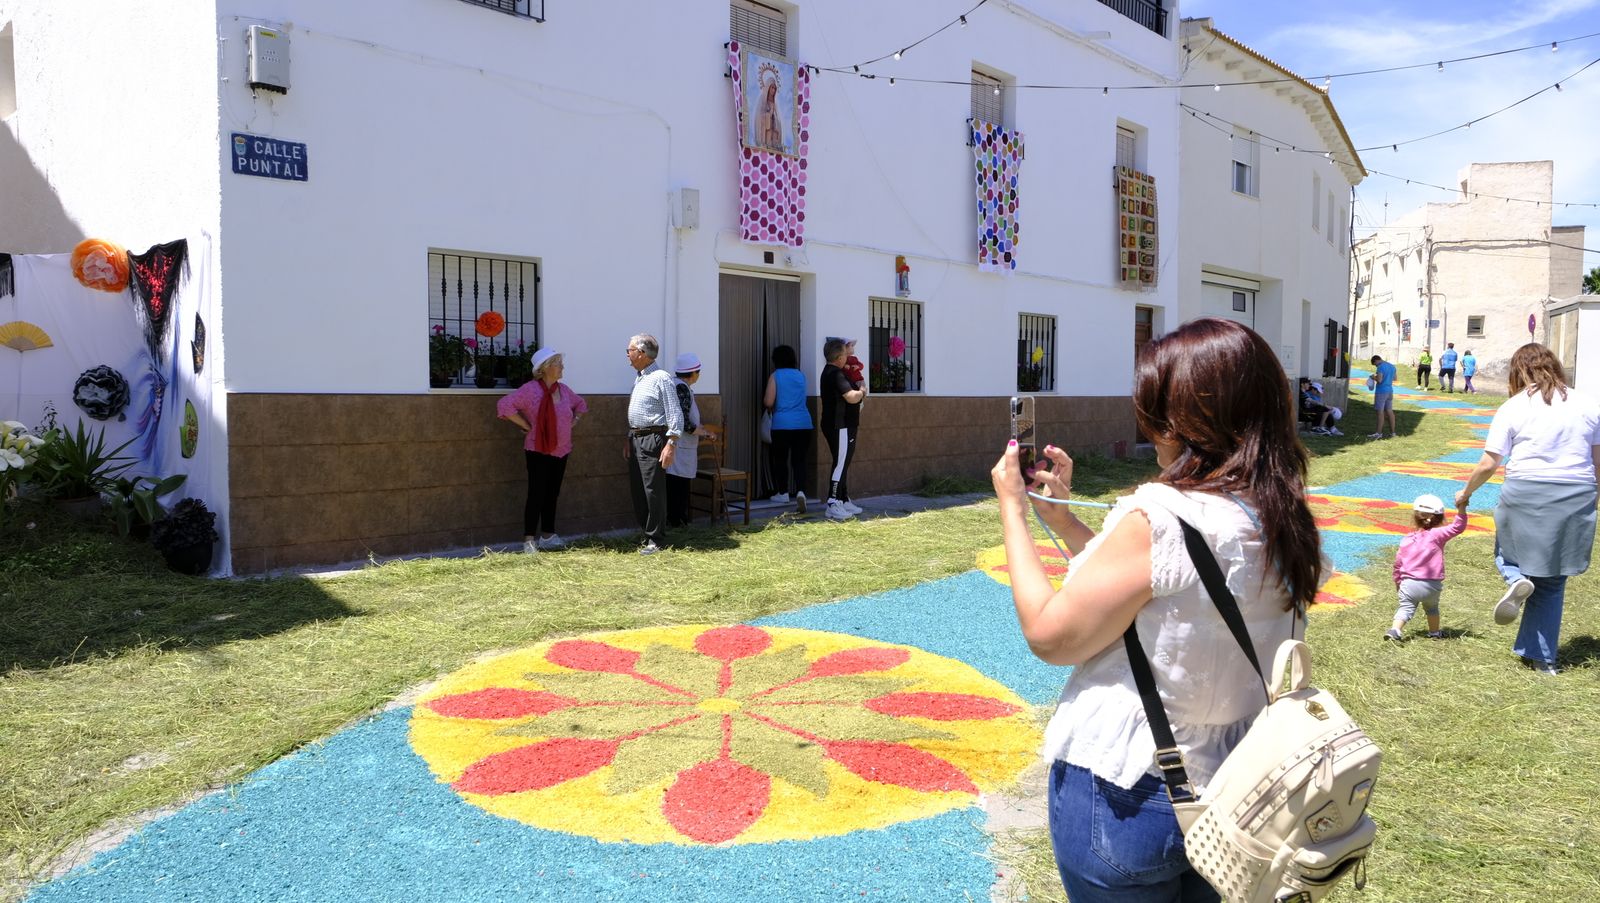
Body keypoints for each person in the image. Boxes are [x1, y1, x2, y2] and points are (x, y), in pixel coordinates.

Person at [991, 317, 1319, 901]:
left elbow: (1049, 634)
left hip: (1132, 795)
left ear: (1182, 419)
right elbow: (1164, 587)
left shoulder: (1163, 514)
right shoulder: (1276, 511)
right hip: (1238, 790)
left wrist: (1013, 510)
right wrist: (1062, 518)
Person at [1455, 343, 1600, 675]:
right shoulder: (1589, 405)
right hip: (1574, 494)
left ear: (1519, 371)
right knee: (1552, 581)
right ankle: (1543, 661)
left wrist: (1465, 493)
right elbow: (1597, 461)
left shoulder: (1513, 407)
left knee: (1508, 554)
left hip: (1526, 491)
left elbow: (1490, 461)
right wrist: (1595, 498)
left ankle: (1516, 578)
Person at [497, 348, 588, 553]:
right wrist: (527, 425)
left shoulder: (563, 390)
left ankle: (547, 535)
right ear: (546, 368)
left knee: (552, 493)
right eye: (558, 363)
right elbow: (504, 405)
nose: (562, 367)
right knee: (536, 493)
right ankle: (529, 540)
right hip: (537, 449)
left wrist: (575, 421)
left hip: (562, 449)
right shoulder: (530, 390)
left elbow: (580, 404)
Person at [623, 334, 685, 555]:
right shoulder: (640, 378)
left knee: (653, 489)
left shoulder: (661, 378)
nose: (627, 355)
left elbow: (675, 413)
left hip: (653, 438)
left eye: (629, 350)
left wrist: (671, 444)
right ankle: (647, 532)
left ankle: (656, 539)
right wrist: (628, 438)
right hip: (636, 437)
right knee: (638, 489)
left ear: (642, 353)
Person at [1384, 494, 1469, 641]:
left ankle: (1396, 630)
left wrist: (1398, 584)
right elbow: (1458, 527)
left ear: (1416, 517)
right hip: (1431, 584)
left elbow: (1397, 566)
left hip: (1408, 583)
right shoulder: (1437, 535)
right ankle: (1435, 633)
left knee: (1405, 609)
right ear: (1440, 517)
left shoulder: (1406, 540)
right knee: (1432, 609)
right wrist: (1462, 507)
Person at [820, 338, 866, 522]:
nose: (849, 355)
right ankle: (833, 503)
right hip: (839, 425)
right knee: (840, 463)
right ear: (839, 357)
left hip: (844, 425)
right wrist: (862, 392)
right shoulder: (835, 374)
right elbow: (851, 397)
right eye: (846, 353)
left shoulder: (836, 372)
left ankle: (843, 499)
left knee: (844, 462)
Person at [764, 344, 813, 514]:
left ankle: (783, 493)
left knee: (780, 460)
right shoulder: (800, 376)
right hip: (804, 424)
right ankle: (801, 491)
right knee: (799, 460)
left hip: (782, 424)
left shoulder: (776, 376)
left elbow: (769, 402)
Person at [665, 352, 711, 528]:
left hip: (681, 445)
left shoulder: (677, 385)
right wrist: (700, 431)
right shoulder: (681, 387)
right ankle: (677, 521)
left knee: (676, 484)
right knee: (679, 485)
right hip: (681, 444)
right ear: (694, 373)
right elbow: (682, 419)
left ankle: (676, 520)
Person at [1369, 354, 1398, 439]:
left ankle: (1378, 433)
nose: (1376, 366)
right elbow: (1395, 378)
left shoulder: (1380, 367)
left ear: (1376, 360)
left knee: (1380, 412)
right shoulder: (1392, 366)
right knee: (1390, 411)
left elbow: (1379, 380)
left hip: (1381, 392)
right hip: (1390, 391)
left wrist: (1373, 377)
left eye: (1375, 364)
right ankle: (1393, 432)